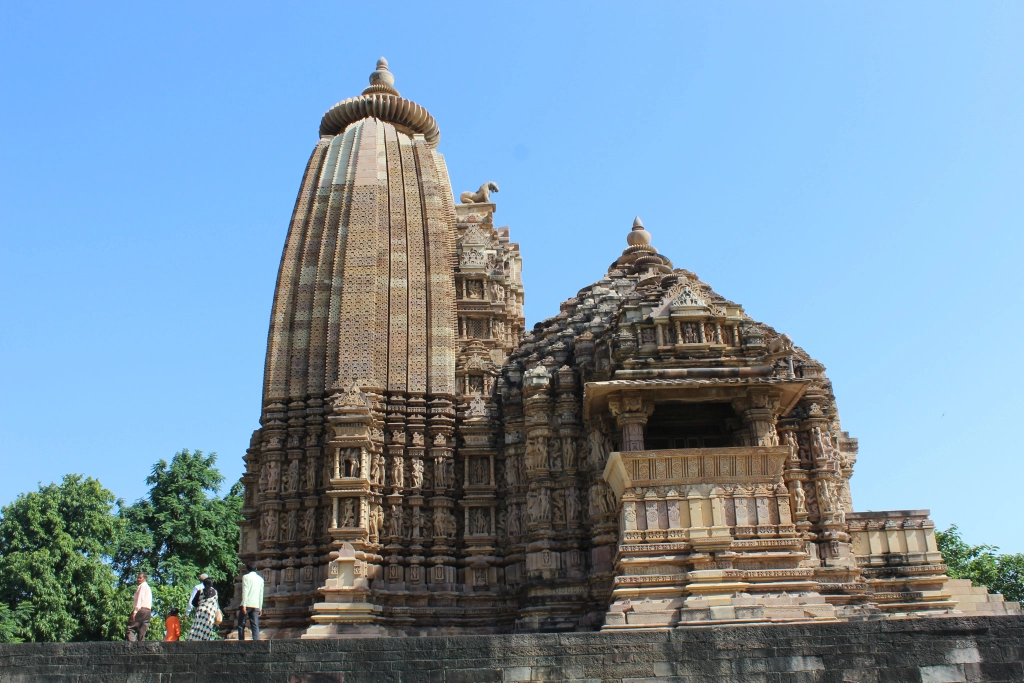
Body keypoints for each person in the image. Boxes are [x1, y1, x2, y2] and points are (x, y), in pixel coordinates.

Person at [237, 563, 264, 641]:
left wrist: (244, 605)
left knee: (241, 624)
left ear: (247, 570)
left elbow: (245, 591)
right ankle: (256, 641)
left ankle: (241, 641)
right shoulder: (260, 579)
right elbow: (260, 594)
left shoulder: (246, 577)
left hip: (247, 603)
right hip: (256, 605)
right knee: (255, 624)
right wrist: (260, 607)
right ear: (256, 569)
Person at [126, 572, 152, 641]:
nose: (138, 579)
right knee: (142, 632)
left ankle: (133, 647)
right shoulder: (148, 587)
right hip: (148, 611)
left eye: (140, 578)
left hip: (141, 610)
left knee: (130, 629)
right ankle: (142, 648)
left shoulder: (142, 586)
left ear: (144, 578)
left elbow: (140, 599)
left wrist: (135, 611)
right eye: (138, 578)